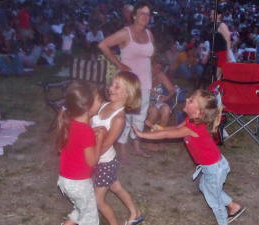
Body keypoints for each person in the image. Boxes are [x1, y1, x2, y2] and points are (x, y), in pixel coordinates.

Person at [133, 89, 246, 225]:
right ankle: (233, 206)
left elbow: (168, 135)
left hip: (215, 169)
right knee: (205, 188)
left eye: (191, 100)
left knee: (213, 200)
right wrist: (156, 127)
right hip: (213, 166)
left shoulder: (194, 128)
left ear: (199, 112)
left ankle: (223, 222)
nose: (187, 99)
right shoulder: (190, 121)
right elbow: (173, 129)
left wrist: (143, 135)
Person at [98, 1, 154, 160]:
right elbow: (103, 45)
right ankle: (122, 147)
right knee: (125, 115)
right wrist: (118, 63)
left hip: (145, 81)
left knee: (141, 115)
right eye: (142, 13)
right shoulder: (125, 32)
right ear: (134, 15)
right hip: (128, 83)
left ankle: (136, 145)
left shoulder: (149, 34)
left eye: (147, 14)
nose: (145, 16)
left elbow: (150, 55)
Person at [91, 71, 144, 225]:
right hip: (98, 157)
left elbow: (106, 144)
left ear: (127, 94)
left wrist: (89, 159)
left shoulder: (119, 119)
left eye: (117, 86)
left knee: (97, 200)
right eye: (112, 84)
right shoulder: (103, 105)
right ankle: (135, 212)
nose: (111, 88)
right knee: (116, 188)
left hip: (105, 162)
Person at [56, 81, 106, 225]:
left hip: (65, 180)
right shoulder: (86, 131)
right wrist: (100, 140)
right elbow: (92, 162)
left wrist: (91, 136)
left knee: (80, 209)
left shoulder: (69, 122)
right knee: (90, 218)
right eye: (99, 100)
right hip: (79, 184)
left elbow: (76, 143)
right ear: (88, 106)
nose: (101, 103)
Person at [210, 8, 231, 80]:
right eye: (211, 14)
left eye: (213, 14)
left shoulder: (222, 25)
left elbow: (228, 40)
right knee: (215, 74)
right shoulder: (214, 26)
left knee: (218, 75)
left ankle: (218, 90)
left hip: (221, 53)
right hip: (215, 53)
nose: (211, 16)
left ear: (219, 15)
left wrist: (227, 54)